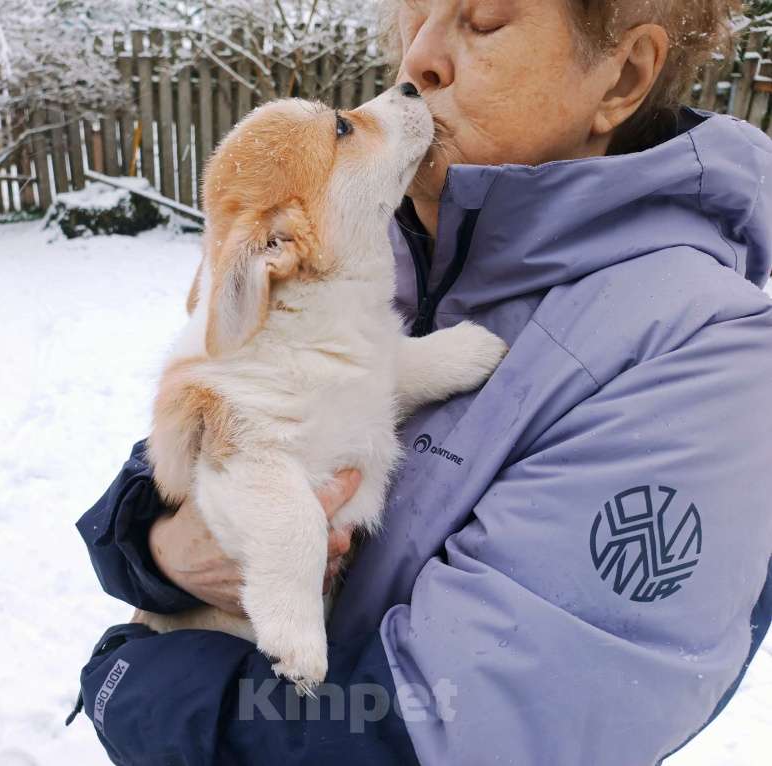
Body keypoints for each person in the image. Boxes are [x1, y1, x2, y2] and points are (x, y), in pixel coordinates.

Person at [72, 1, 772, 764]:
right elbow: (178, 454)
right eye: (413, 16)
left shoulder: (703, 359)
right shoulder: (373, 245)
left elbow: (445, 730)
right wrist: (155, 545)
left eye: (483, 22)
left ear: (623, 76)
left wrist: (139, 689)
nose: (418, 61)